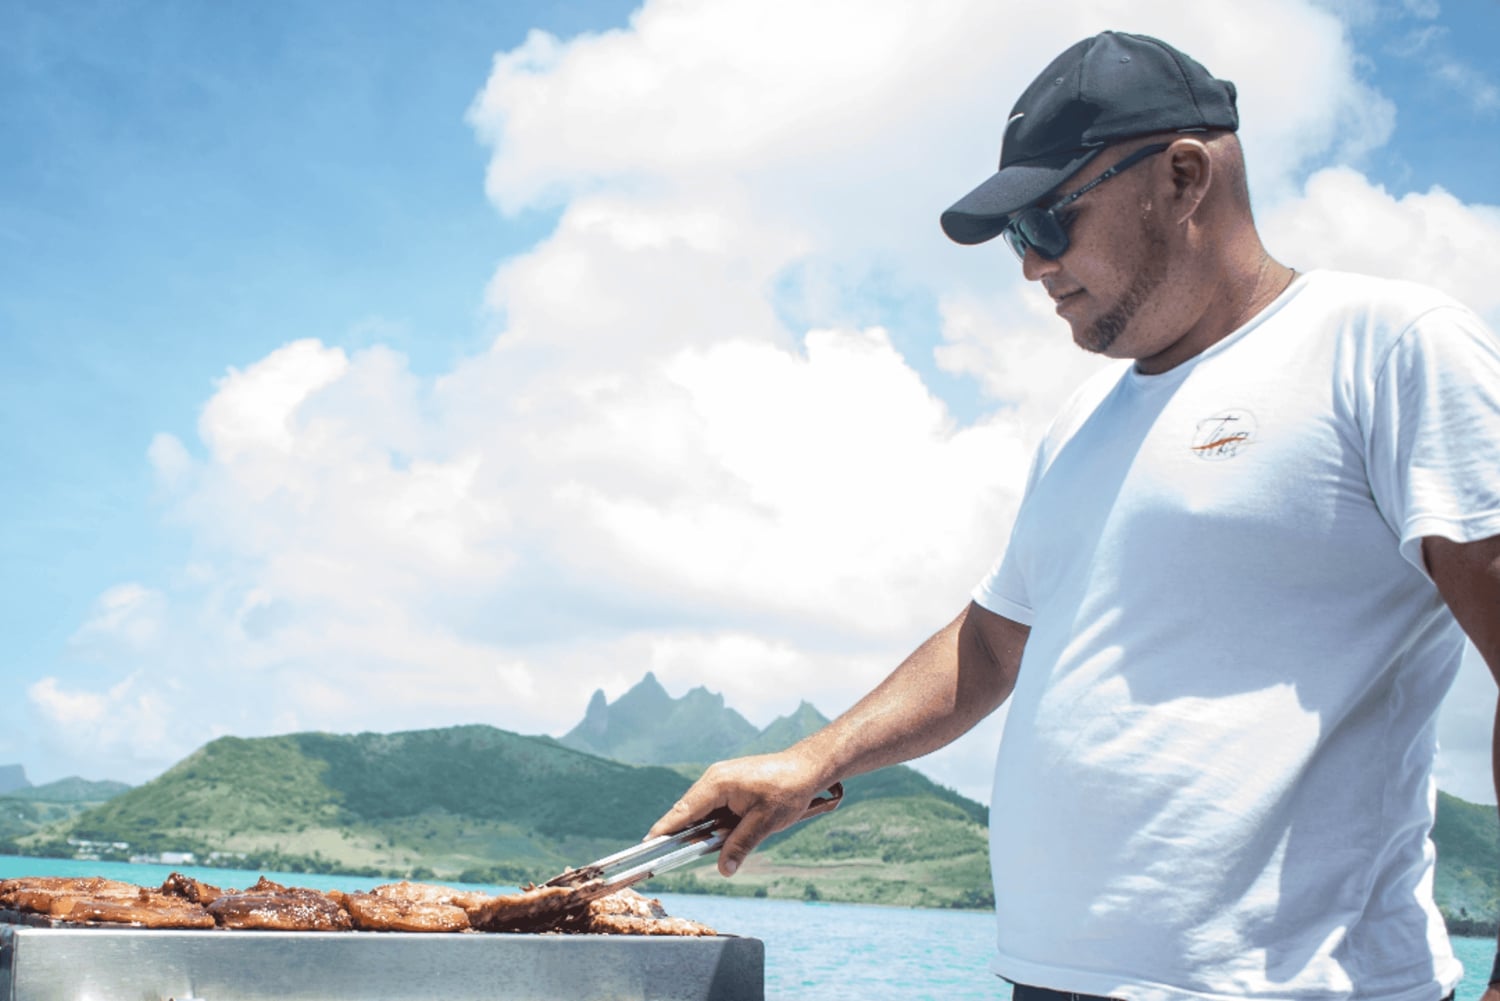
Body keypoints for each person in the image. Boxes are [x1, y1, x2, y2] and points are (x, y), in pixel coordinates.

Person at [648, 30, 1500, 1001]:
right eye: (1019, 237)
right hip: (1048, 979)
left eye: (1049, 220)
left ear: (1182, 177)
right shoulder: (1085, 421)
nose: (1032, 266)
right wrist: (813, 757)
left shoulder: (1387, 347)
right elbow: (992, 643)